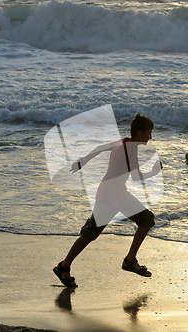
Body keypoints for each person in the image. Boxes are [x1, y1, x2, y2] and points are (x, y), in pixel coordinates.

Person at [53, 113, 163, 287]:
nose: (150, 137)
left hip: (120, 194)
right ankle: (63, 266)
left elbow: (100, 147)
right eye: (149, 133)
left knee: (147, 220)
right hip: (108, 196)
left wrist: (84, 161)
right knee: (89, 234)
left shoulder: (123, 142)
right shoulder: (130, 148)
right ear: (140, 133)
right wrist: (154, 172)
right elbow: (136, 177)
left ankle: (130, 260)